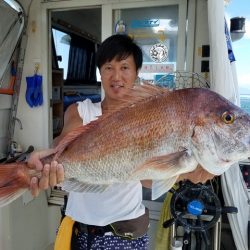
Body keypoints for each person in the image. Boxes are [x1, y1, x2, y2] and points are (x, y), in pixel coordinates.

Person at [28, 34, 214, 250]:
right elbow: (60, 148)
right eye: (109, 67)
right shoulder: (81, 112)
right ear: (100, 72)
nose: (116, 76)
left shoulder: (148, 119)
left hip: (125, 234)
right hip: (79, 232)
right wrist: (43, 162)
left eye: (124, 67)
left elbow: (147, 179)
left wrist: (188, 173)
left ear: (136, 73)